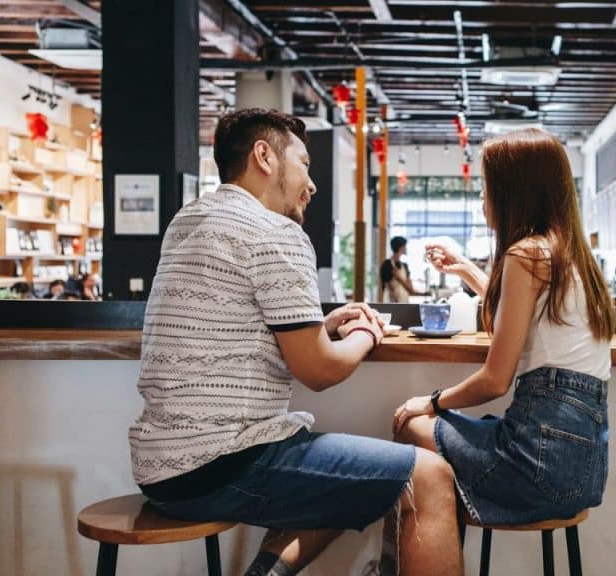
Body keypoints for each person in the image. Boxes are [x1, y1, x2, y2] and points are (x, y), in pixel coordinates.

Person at [128, 108, 462, 576]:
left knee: (337, 480)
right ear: (264, 156)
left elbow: (238, 328)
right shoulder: (276, 232)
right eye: (305, 164)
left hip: (160, 469)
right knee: (429, 477)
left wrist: (319, 326)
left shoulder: (187, 222)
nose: (313, 183)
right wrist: (367, 333)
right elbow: (320, 371)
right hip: (225, 463)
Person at [392, 128, 615, 527]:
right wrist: (466, 269)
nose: (482, 198)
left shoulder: (524, 254)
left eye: (486, 187)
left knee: (412, 424)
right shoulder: (573, 256)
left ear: (515, 192)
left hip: (536, 465)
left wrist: (433, 400)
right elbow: (520, 311)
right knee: (445, 463)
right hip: (584, 472)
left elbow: (495, 380)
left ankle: (419, 564)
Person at [379, 236, 425, 303]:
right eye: (405, 246)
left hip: (404, 301)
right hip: (391, 302)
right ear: (400, 247)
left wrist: (399, 277)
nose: (406, 248)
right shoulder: (387, 265)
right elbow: (388, 286)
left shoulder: (405, 266)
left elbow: (410, 289)